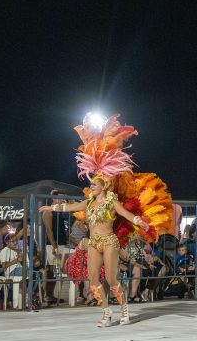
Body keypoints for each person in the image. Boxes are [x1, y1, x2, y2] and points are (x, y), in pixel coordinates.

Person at [39, 113, 173, 327]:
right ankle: (106, 312)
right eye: (91, 184)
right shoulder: (89, 203)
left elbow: (127, 214)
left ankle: (124, 310)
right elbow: (71, 206)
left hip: (109, 242)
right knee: (93, 281)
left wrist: (141, 222)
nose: (90, 186)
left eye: (94, 185)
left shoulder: (111, 202)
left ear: (103, 186)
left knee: (112, 280)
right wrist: (52, 207)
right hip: (93, 243)